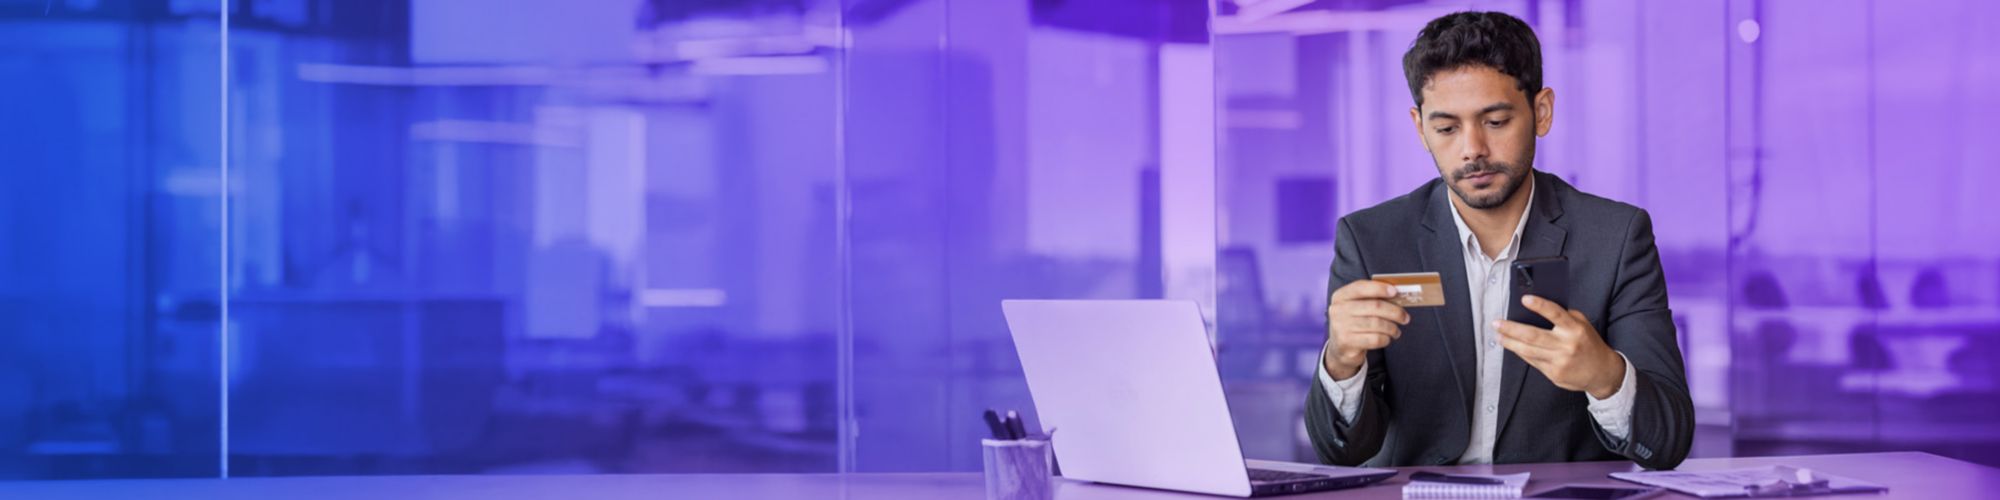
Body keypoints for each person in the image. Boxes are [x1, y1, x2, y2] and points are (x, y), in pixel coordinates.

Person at [1302, 11, 1694, 470]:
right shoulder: (1371, 239)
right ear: (1420, 127)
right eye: (1446, 128)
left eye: (1496, 121)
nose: (1472, 149)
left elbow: (1668, 442)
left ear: (1541, 112)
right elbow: (1340, 451)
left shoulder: (1616, 237)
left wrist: (1607, 377)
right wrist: (1342, 361)